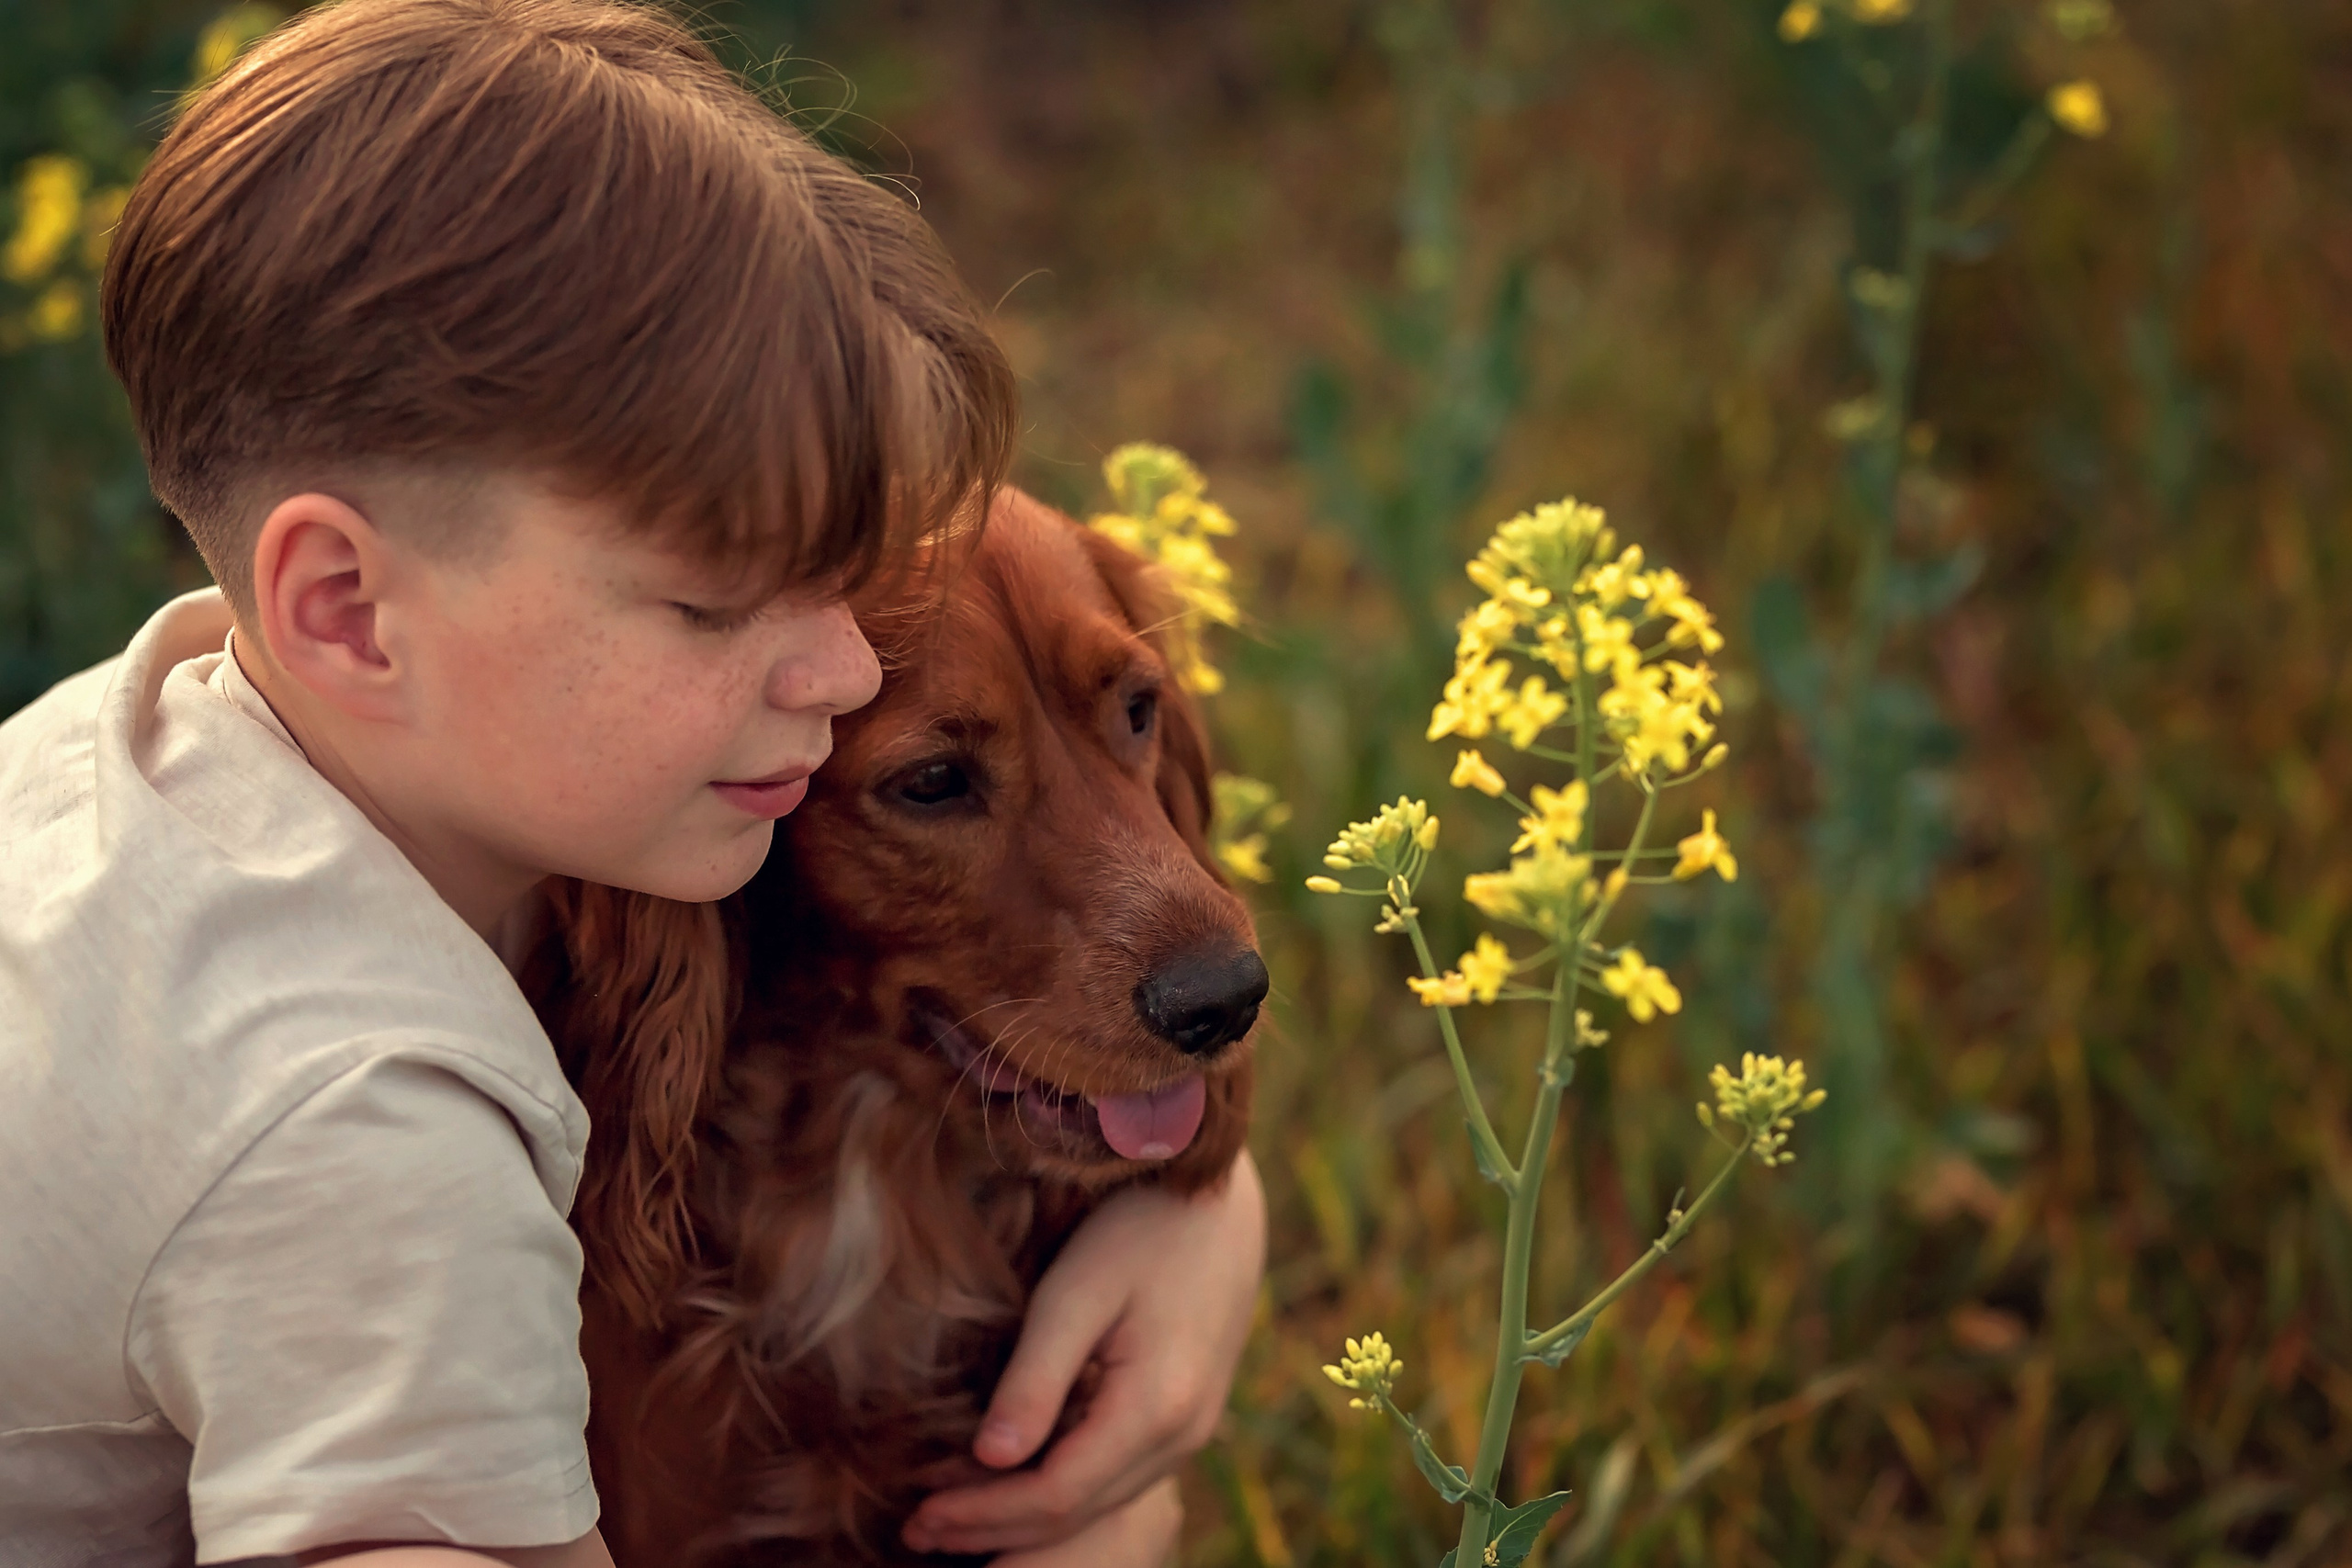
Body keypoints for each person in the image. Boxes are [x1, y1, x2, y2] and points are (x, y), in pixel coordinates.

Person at [0, 2, 1266, 1563]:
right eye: (721, 601)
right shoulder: (357, 1124)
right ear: (343, 606)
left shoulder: (193, 734)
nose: (849, 672)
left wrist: (1205, 1206)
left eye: (835, 581)